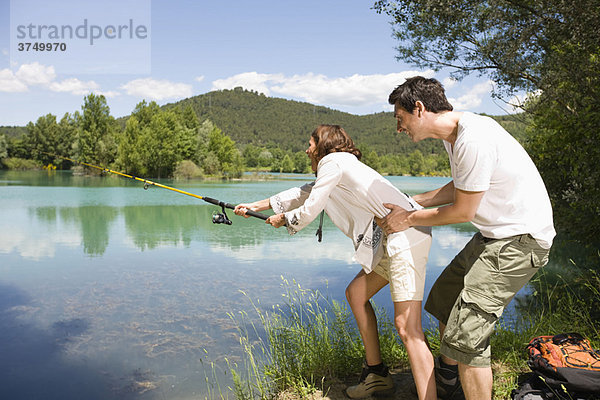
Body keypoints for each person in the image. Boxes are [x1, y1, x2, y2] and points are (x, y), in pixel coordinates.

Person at [376, 76, 556, 400]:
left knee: (466, 337)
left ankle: (465, 379)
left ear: (418, 109)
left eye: (400, 119)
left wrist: (408, 218)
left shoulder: (473, 138)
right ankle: (450, 382)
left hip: (520, 241)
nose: (398, 129)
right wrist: (416, 201)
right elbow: (463, 184)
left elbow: (463, 211)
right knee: (444, 301)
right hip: (496, 235)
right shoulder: (456, 137)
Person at [234, 124, 437, 399]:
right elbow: (305, 192)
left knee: (407, 328)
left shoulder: (331, 161)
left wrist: (285, 219)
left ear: (324, 145)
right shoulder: (340, 164)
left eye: (310, 144)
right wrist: (255, 207)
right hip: (395, 238)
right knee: (356, 294)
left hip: (405, 237)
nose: (307, 150)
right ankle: (376, 375)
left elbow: (311, 205)